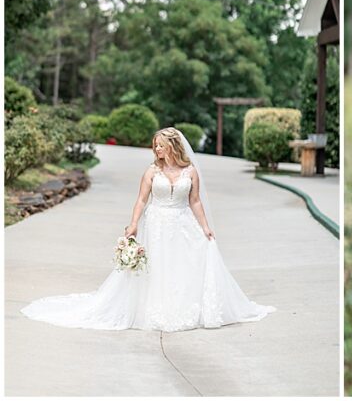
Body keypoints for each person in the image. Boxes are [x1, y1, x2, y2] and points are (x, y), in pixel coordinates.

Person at [21, 127, 275, 331]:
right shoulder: (152, 171)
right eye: (155, 146)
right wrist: (133, 224)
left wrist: (206, 227)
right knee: (157, 266)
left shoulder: (191, 172)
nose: (157, 149)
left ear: (173, 147)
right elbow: (142, 200)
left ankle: (184, 308)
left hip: (183, 224)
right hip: (156, 225)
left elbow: (194, 201)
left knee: (184, 266)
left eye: (161, 145)